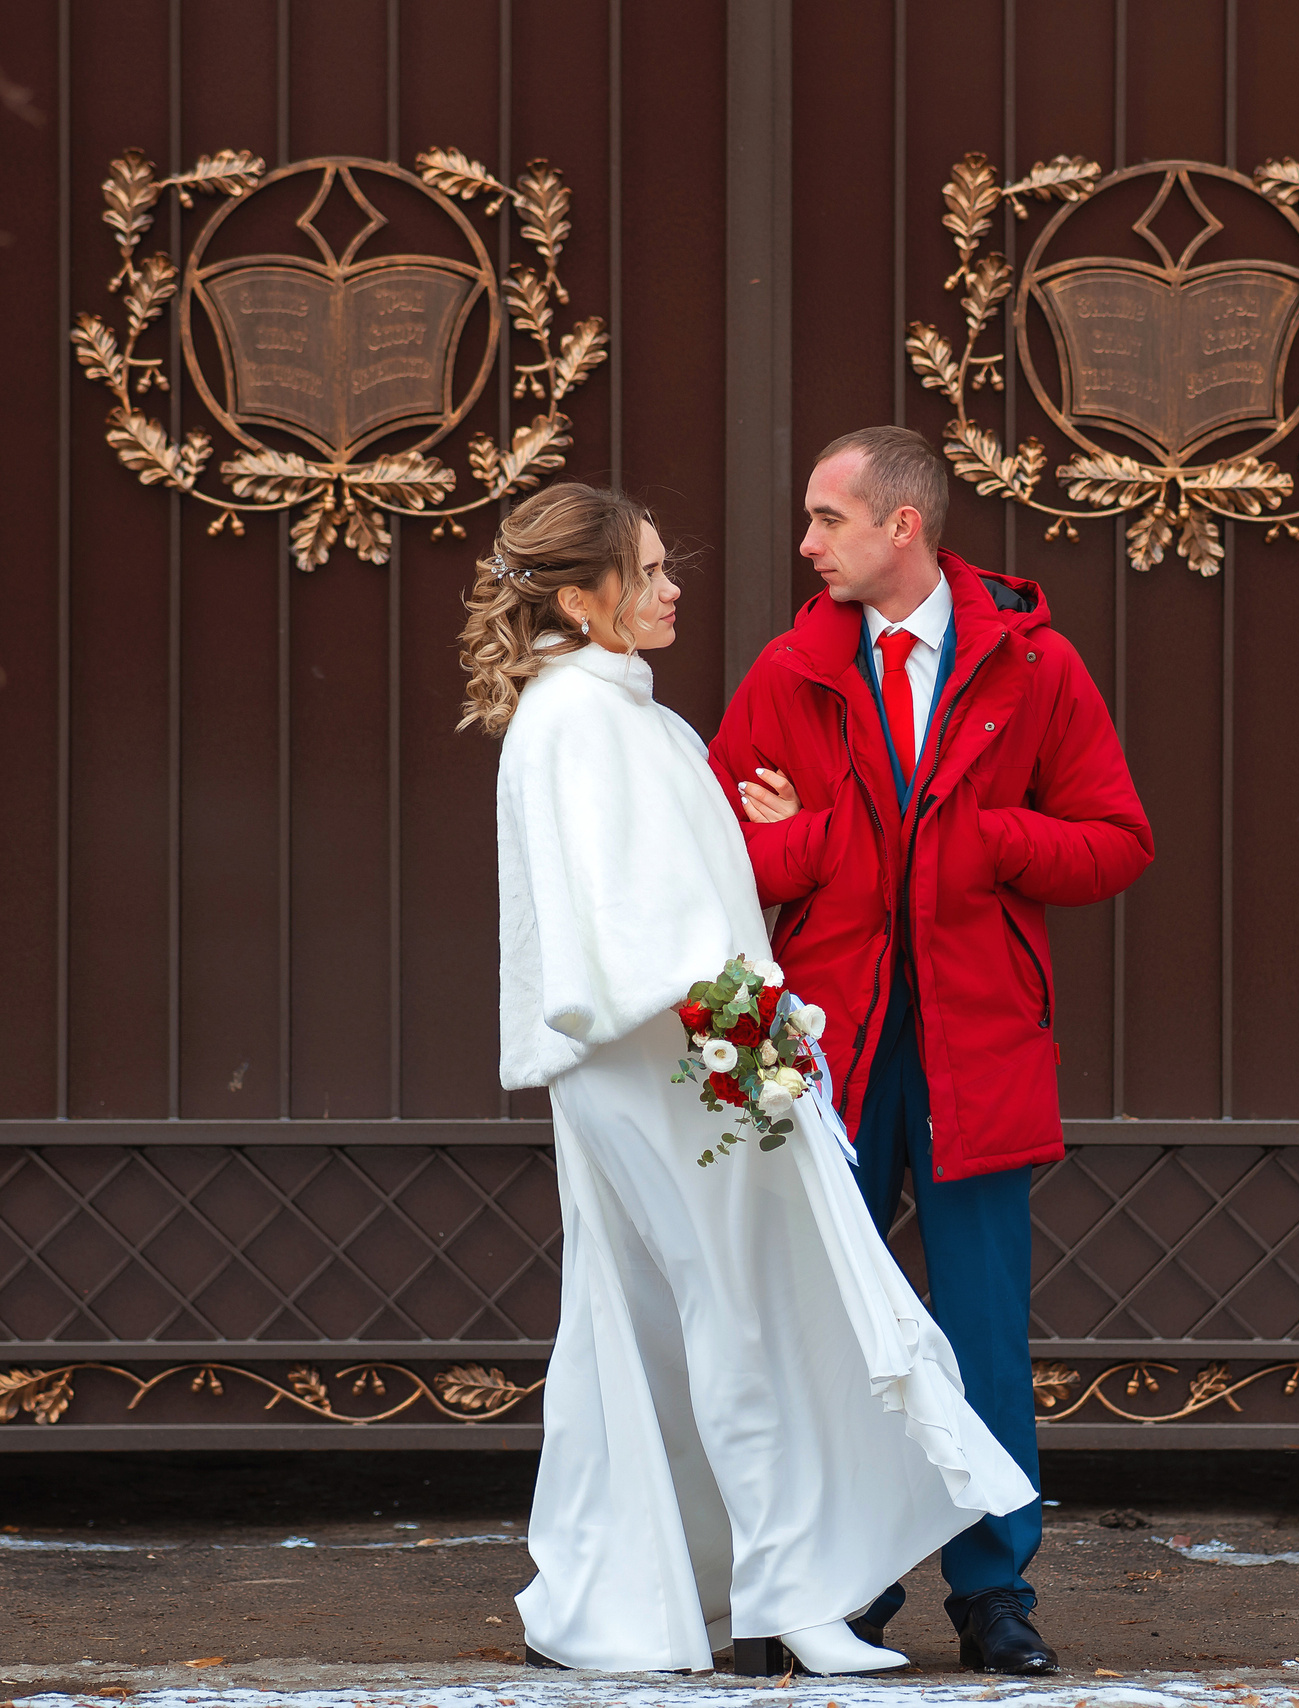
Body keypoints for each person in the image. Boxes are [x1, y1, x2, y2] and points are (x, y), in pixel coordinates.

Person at [467, 482, 1037, 1677]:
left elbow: (675, 887)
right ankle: (787, 1590)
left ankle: (667, 1584)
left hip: (691, 1050)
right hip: (673, 1062)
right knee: (742, 1313)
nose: (677, 588)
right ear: (582, 596)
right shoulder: (581, 720)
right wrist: (752, 1033)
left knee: (669, 1323)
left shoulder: (628, 716)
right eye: (653, 570)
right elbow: (622, 922)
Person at [707, 427, 1154, 1676]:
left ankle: (993, 1589)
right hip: (826, 1047)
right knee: (831, 1325)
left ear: (902, 525)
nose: (807, 543)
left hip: (976, 1040)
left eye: (826, 517)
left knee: (975, 1328)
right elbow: (716, 850)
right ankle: (837, 1585)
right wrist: (831, 839)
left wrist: (991, 836)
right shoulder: (789, 672)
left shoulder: (1035, 667)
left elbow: (1117, 838)